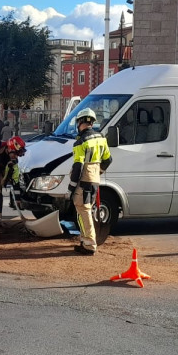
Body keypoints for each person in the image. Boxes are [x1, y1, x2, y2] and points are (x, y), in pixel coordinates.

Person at [69, 108, 112, 255]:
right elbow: (108, 159)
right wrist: (97, 172)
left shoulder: (80, 142)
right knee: (87, 209)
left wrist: (71, 187)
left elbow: (78, 167)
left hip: (84, 179)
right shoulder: (101, 137)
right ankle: (86, 240)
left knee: (83, 210)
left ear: (80, 122)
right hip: (95, 179)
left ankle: (88, 244)